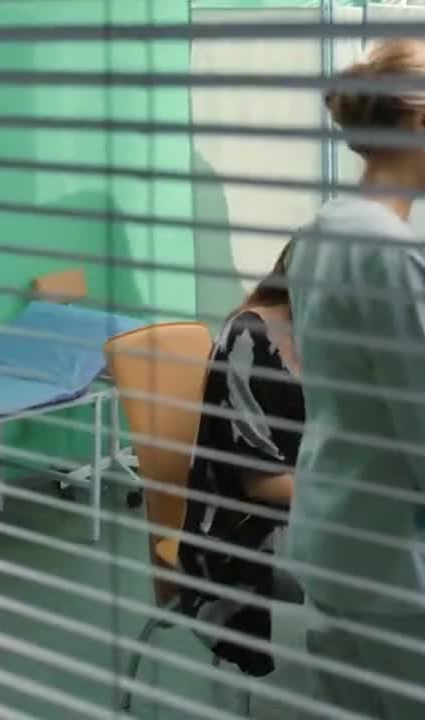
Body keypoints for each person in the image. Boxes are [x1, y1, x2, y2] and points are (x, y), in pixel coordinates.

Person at [284, 38, 425, 717]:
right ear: (422, 122)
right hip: (404, 570)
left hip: (332, 542)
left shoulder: (320, 234)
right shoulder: (391, 254)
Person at [177, 242, 305, 678]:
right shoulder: (248, 336)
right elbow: (262, 483)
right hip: (245, 526)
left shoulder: (326, 334)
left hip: (304, 506)